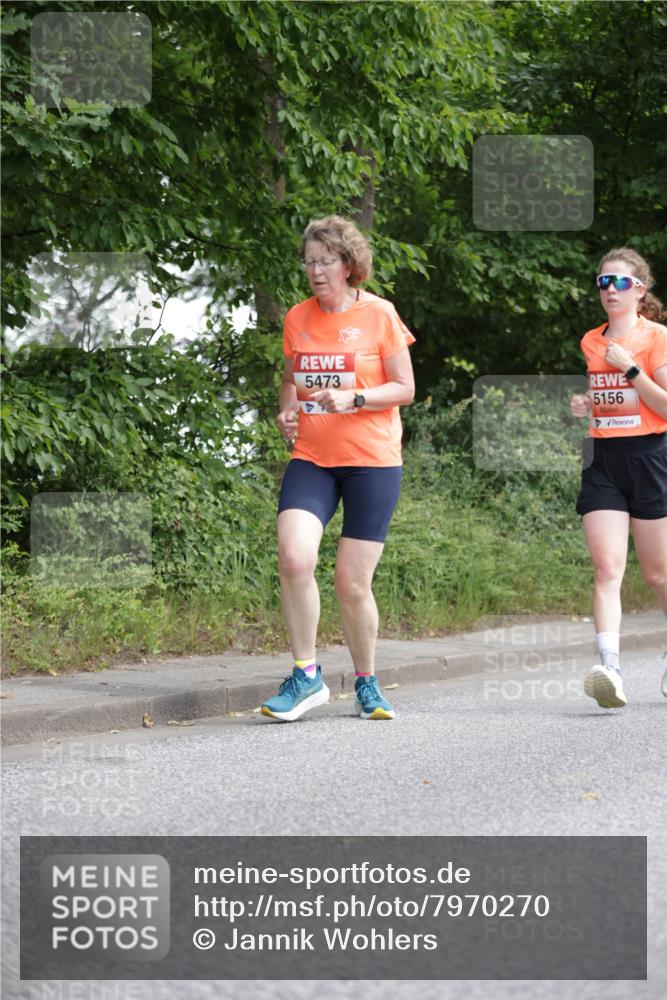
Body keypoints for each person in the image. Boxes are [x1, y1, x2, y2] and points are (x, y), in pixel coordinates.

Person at [261, 215, 415, 722]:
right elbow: (291, 378)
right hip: (313, 459)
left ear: (349, 264)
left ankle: (367, 682)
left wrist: (355, 397)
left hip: (372, 463)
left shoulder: (380, 314)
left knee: (351, 582)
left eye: (325, 261)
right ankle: (306, 676)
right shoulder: (298, 317)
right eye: (308, 262)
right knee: (293, 557)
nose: (316, 271)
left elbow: (405, 389)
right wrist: (286, 411)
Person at [570, 247, 667, 708]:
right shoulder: (592, 340)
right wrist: (589, 403)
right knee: (607, 568)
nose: (610, 290)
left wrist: (630, 366)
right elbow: (606, 394)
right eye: (603, 282)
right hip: (603, 459)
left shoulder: (656, 338)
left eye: (620, 283)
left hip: (650, 458)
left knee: (658, 574)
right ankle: (611, 668)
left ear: (640, 290)